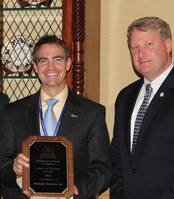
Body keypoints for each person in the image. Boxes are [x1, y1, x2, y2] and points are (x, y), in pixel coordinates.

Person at [0, 35, 111, 199]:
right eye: (43, 60)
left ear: (68, 64)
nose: (50, 67)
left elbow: (102, 169)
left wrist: (74, 190)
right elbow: (2, 163)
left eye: (57, 59)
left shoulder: (92, 113)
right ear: (35, 67)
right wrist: (14, 170)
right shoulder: (11, 113)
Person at [110, 16, 174, 199]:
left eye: (149, 44)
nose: (141, 53)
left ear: (168, 45)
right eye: (134, 48)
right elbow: (117, 158)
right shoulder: (125, 97)